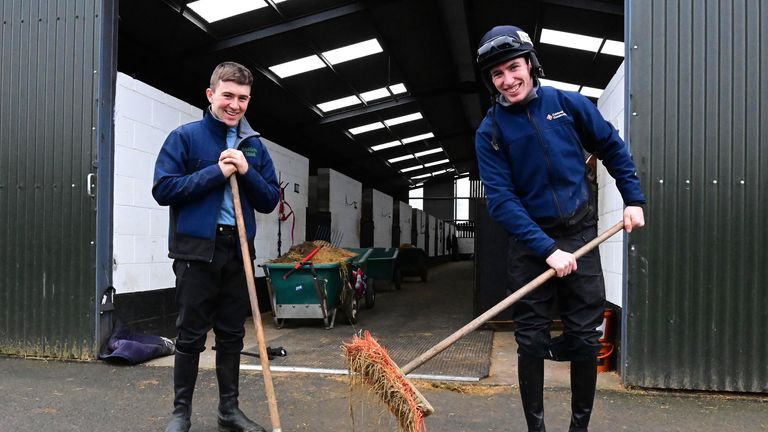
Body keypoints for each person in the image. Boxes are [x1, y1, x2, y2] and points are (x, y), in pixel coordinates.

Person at [474, 26, 645, 432]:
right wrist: (547, 249)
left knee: (585, 338)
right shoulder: (491, 131)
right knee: (530, 340)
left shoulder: (567, 105)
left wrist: (633, 199)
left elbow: (611, 146)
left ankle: (578, 428)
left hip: (581, 235)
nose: (508, 80)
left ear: (530, 65)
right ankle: (537, 429)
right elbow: (501, 199)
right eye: (497, 74)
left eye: (514, 67)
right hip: (532, 244)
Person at [153, 61, 280, 432]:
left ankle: (229, 412)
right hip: (196, 251)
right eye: (228, 95)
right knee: (190, 333)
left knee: (231, 334)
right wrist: (217, 172)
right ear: (211, 95)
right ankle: (181, 414)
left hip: (239, 250)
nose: (235, 104)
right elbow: (164, 189)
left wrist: (245, 169)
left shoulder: (254, 146)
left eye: (242, 98)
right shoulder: (186, 137)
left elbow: (270, 199)